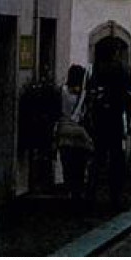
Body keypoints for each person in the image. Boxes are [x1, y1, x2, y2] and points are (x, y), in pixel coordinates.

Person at [85, 52, 131, 212]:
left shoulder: (96, 72)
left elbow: (90, 98)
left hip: (99, 123)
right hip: (114, 122)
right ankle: (115, 198)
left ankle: (91, 196)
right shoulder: (121, 71)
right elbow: (130, 96)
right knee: (116, 162)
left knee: (97, 160)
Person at [55, 64, 93, 208]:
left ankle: (69, 191)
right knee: (80, 163)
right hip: (78, 131)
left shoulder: (62, 91)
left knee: (67, 164)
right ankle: (78, 192)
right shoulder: (83, 94)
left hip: (63, 129)